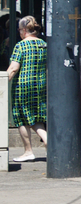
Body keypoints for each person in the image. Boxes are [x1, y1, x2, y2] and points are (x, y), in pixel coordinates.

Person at [6, 16, 47, 162]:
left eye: (19, 30)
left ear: (24, 30)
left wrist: (3, 82)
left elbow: (13, 68)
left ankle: (28, 151)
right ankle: (47, 140)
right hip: (40, 86)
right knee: (36, 118)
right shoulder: (43, 44)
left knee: (22, 119)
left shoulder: (20, 46)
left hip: (22, 87)